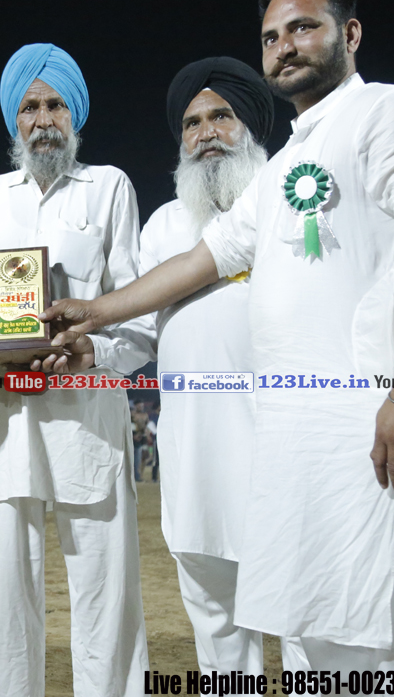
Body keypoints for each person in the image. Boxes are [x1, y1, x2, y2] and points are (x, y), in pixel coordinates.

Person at [42, 0, 394, 671]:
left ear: (350, 33)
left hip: (375, 431)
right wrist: (94, 312)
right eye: (272, 36)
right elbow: (203, 259)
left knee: (393, 641)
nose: (286, 46)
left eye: (304, 27)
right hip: (300, 453)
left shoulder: (391, 113)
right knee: (324, 637)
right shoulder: (285, 169)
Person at [0, 43, 154, 696]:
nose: (43, 120)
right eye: (31, 107)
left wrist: (93, 351)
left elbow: (139, 319)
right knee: (4, 599)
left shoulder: (110, 188)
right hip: (3, 422)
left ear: (77, 115)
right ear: (13, 120)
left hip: (86, 417)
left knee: (106, 593)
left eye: (56, 105)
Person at [145, 56, 308, 674]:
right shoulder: (163, 226)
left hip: (282, 453)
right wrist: (85, 349)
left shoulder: (293, 208)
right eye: (192, 123)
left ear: (252, 126)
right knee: (217, 626)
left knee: (304, 623)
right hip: (195, 460)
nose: (206, 132)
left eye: (222, 116)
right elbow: (136, 335)